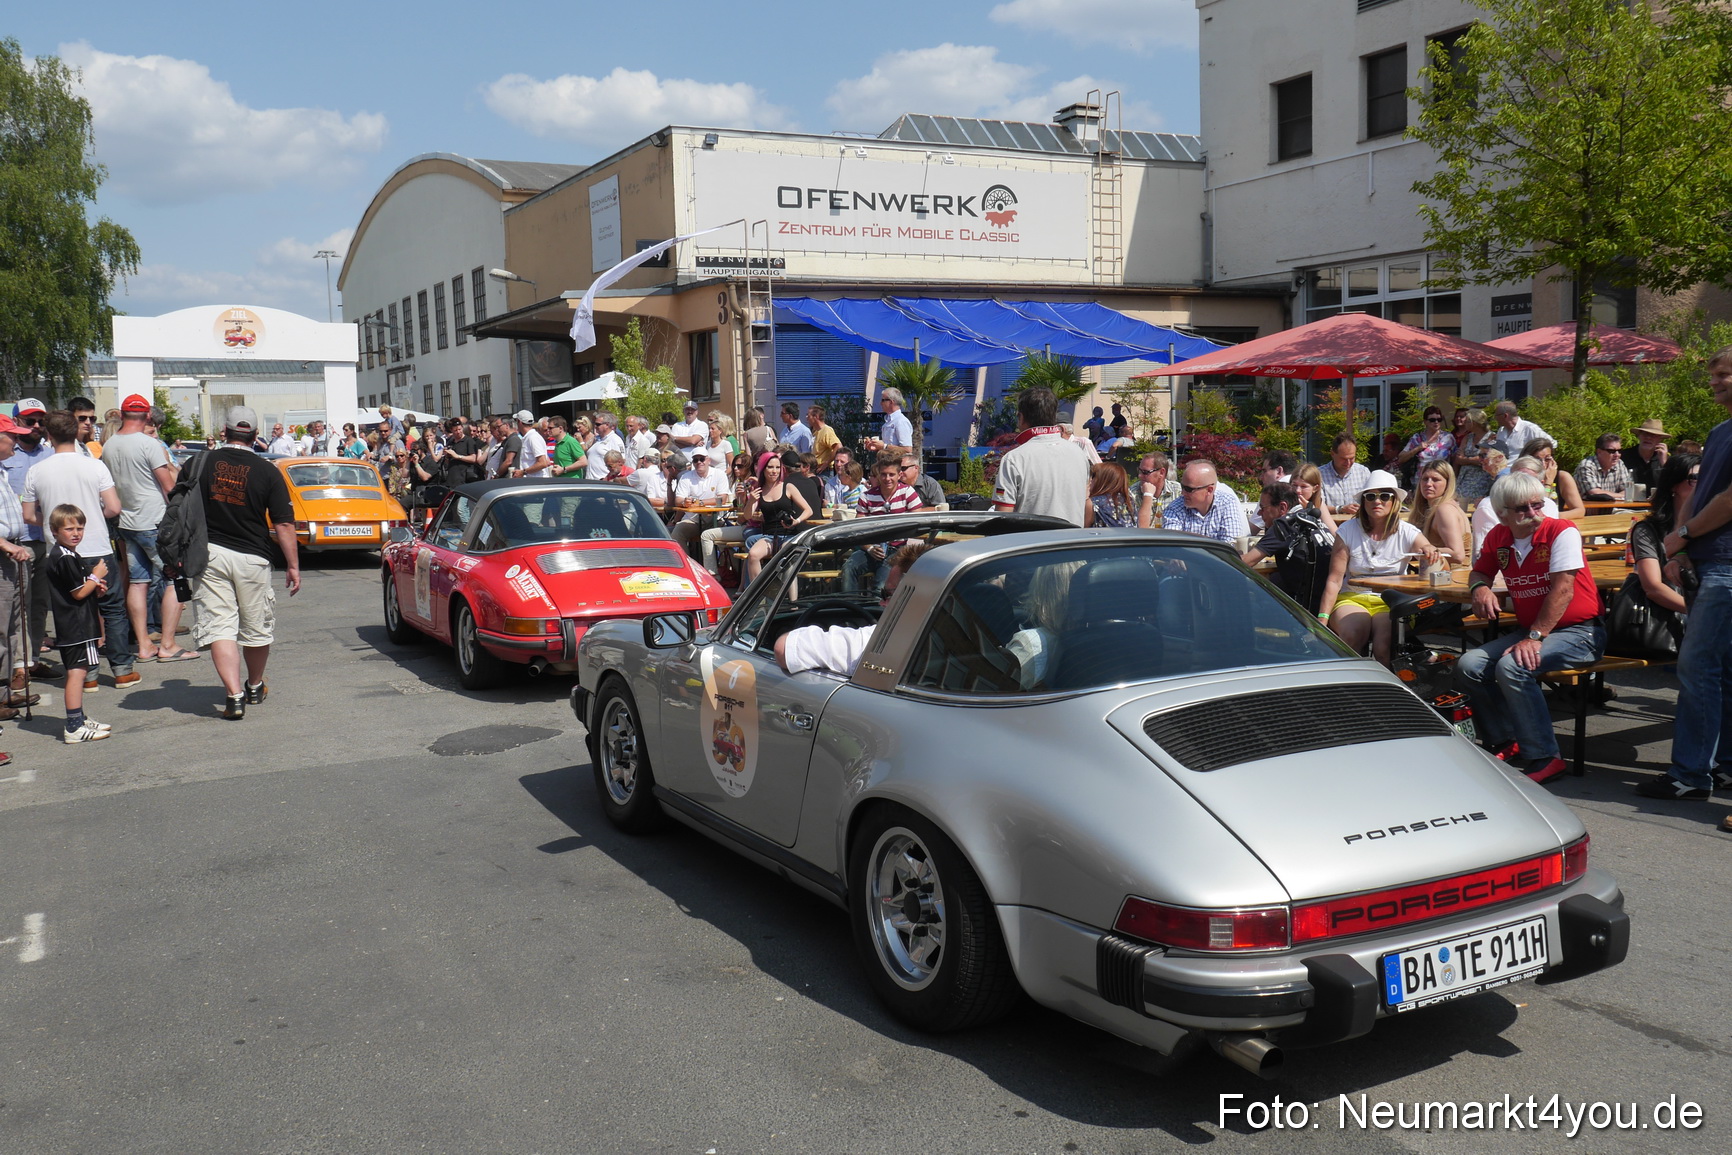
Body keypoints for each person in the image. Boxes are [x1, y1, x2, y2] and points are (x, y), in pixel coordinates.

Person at [1459, 471, 1606, 784]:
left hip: (1580, 632)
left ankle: (1545, 756)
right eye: (1522, 508)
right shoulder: (1499, 536)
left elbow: (1563, 589)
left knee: (1514, 666)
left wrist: (1535, 637)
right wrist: (1479, 588)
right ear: (1502, 514)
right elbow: (1479, 572)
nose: (1533, 513)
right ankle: (1506, 740)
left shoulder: (1561, 531)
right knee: (1469, 665)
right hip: (1533, 631)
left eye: (1537, 504)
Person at [1645, 351, 1732, 803]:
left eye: (1723, 374)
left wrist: (1681, 536)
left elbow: (1729, 500)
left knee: (1698, 668)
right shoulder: (1719, 432)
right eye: (1712, 374)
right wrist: (1680, 548)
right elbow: (1700, 494)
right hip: (1708, 561)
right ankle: (1723, 766)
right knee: (1720, 670)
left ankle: (1691, 775)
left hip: (1726, 566)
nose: (1714, 381)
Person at [186, 406, 300, 720]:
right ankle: (254, 685)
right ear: (255, 435)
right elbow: (284, 523)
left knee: (220, 626)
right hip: (253, 557)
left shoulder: (199, 463)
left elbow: (178, 502)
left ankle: (234, 696)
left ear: (224, 432)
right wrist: (293, 565)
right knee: (255, 627)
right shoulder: (267, 471)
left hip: (209, 554)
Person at [20, 410, 135, 691]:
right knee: (113, 609)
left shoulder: (37, 471)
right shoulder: (94, 466)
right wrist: (93, 516)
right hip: (96, 545)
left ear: (49, 435)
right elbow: (114, 508)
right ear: (76, 433)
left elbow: (28, 515)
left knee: (75, 610)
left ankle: (88, 672)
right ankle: (122, 670)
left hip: (59, 551)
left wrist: (52, 524)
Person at [104, 394, 196, 665]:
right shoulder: (149, 444)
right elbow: (169, 487)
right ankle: (167, 645)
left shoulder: (110, 444)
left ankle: (144, 645)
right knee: (176, 579)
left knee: (138, 581)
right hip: (154, 521)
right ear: (147, 417)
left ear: (122, 415)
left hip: (127, 521)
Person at [1314, 471, 1439, 665]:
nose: (1377, 501)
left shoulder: (1406, 531)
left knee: (1383, 646)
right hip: (1352, 597)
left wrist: (1430, 551)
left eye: (1384, 496)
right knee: (1352, 635)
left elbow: (1436, 558)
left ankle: (1387, 683)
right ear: (1364, 501)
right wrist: (1322, 618)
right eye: (1370, 496)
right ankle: (1354, 681)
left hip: (1391, 601)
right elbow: (1334, 579)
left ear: (1394, 501)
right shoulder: (1347, 530)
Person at [775, 541, 932, 676]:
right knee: (849, 567)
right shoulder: (940, 638)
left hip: (888, 550)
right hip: (870, 551)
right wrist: (870, 548)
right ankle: (849, 598)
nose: (882, 603)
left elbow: (784, 648)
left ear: (912, 597)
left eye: (887, 595)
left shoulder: (874, 643)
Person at [43, 506, 112, 742]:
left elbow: (82, 588)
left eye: (79, 528)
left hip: (77, 623)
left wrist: (95, 586)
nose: (76, 533)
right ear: (54, 531)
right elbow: (79, 593)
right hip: (75, 625)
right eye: (69, 529)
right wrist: (95, 576)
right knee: (77, 672)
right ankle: (74, 726)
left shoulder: (69, 555)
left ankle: (79, 718)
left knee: (80, 671)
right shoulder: (64, 557)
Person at [991, 386, 1087, 526]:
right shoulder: (1079, 453)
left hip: (1032, 539)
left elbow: (1003, 517)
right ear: (1053, 416)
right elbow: (1086, 503)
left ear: (1021, 417)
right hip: (1073, 538)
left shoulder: (1014, 458)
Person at [0, 416, 41, 720]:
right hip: (5, 552)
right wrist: (5, 544)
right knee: (1, 627)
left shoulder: (3, 470)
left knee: (14, 623)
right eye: (11, 436)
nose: (16, 442)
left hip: (15, 551)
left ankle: (5, 691)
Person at [1627, 452, 1698, 627]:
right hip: (1673, 618)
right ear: (1673, 485)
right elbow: (1653, 588)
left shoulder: (1712, 526)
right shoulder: (1648, 530)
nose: (1703, 484)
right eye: (1695, 478)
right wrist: (1700, 612)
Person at [1242, 481, 1334, 615]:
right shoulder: (1309, 516)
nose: (1260, 513)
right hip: (1331, 599)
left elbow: (1245, 562)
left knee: (1250, 599)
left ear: (1282, 507)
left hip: (1309, 606)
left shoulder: (1285, 524)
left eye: (1263, 508)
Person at [842, 452, 923, 593]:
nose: (887, 479)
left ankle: (876, 606)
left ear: (899, 475)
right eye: (884, 474)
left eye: (891, 474)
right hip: (871, 548)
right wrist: (869, 548)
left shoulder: (907, 492)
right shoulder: (867, 496)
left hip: (897, 550)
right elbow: (858, 529)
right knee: (848, 568)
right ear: (878, 475)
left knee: (880, 585)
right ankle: (850, 604)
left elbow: (918, 522)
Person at [741, 452, 813, 582]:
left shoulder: (788, 487)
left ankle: (790, 594)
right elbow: (747, 516)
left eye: (778, 467)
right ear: (763, 469)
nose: (774, 471)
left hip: (789, 535)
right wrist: (751, 501)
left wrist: (796, 521)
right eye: (770, 467)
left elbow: (808, 510)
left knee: (786, 554)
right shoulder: (759, 490)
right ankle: (758, 591)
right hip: (769, 536)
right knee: (753, 555)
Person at [1470, 455, 1556, 558]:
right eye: (1517, 479)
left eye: (1536, 506)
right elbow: (1482, 555)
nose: (1532, 513)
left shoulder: (1549, 505)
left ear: (1540, 484)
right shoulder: (1488, 507)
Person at [1160, 460, 1251, 544]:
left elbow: (1230, 545)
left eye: (1188, 489)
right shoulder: (1175, 508)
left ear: (1209, 490)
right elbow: (1173, 546)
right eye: (1182, 487)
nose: (1182, 493)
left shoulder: (1226, 503)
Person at [1407, 461, 1470, 565]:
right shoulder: (1431, 509)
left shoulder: (1445, 510)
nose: (1428, 484)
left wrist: (1424, 550)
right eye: (1425, 479)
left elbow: (1458, 555)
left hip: (1453, 574)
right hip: (1436, 573)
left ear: (1448, 483)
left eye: (1435, 480)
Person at [671, 449, 731, 557]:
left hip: (715, 519)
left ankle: (725, 566)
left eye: (702, 459)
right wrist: (685, 502)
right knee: (677, 534)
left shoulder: (719, 474)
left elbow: (722, 499)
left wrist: (699, 503)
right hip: (692, 520)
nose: (699, 462)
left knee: (725, 539)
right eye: (695, 460)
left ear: (708, 460)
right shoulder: (686, 477)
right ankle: (686, 564)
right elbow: (678, 500)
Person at [1523, 437, 1586, 520]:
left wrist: (1553, 516)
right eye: (1537, 460)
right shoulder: (1523, 479)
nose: (1543, 464)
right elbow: (1541, 509)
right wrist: (1548, 483)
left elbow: (1580, 511)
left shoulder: (1562, 477)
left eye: (1547, 459)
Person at [1318, 434, 1371, 517]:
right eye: (1344, 459)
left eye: (1352, 458)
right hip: (1330, 523)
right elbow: (1317, 506)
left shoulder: (1363, 472)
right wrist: (1340, 509)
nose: (1348, 463)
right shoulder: (1319, 474)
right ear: (1332, 454)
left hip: (1359, 523)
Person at [1451, 407, 1495, 504]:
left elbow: (1485, 460)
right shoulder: (1468, 437)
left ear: (1474, 423)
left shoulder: (1491, 438)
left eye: (1467, 421)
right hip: (1463, 478)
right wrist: (1473, 460)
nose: (1464, 423)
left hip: (1482, 480)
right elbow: (1458, 459)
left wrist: (1465, 460)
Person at [1397, 407, 1456, 478]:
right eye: (1432, 420)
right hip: (1421, 479)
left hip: (1442, 479)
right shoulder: (1417, 438)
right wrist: (1417, 448)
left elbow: (1455, 460)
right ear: (1425, 422)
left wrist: (1453, 477)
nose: (1436, 422)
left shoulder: (1448, 438)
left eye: (1439, 419)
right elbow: (1401, 458)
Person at [1575, 432, 1632, 501]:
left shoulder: (1619, 464)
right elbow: (1595, 493)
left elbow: (1628, 490)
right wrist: (1621, 495)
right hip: (1588, 507)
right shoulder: (1587, 465)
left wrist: (1623, 494)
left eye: (1619, 451)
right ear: (1599, 452)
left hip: (1613, 506)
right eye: (1611, 451)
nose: (1617, 455)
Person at [1622, 418, 1672, 492]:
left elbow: (1673, 484)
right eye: (1645, 434)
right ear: (1639, 436)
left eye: (1653, 435)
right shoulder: (1624, 456)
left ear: (1660, 439)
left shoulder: (1666, 460)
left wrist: (1664, 463)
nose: (1648, 438)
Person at [1134, 451, 1181, 528]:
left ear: (1161, 473)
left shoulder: (1176, 490)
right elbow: (1141, 529)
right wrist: (1148, 495)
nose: (1140, 475)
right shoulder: (1133, 494)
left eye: (1145, 472)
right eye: (1139, 470)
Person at [1289, 462, 1339, 533]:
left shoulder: (1318, 503)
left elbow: (1334, 532)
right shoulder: (1285, 502)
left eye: (1303, 486)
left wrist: (1310, 511)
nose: (1298, 490)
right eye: (1294, 485)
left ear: (1315, 488)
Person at [1083, 461, 1134, 527]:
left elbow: (1081, 529)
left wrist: (1084, 497)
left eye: (1093, 476)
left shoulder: (1092, 503)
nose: (1090, 480)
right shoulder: (1130, 501)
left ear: (1102, 480)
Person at [862, 388, 913, 455]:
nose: (881, 403)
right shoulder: (889, 421)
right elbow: (889, 445)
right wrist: (876, 446)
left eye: (883, 400)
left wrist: (884, 446)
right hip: (886, 460)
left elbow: (907, 450)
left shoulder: (901, 421)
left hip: (897, 461)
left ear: (891, 402)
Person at [583, 411, 625, 481]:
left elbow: (621, 463)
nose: (595, 426)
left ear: (607, 425)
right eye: (594, 424)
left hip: (603, 482)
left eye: (598, 424)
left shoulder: (615, 439)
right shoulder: (597, 439)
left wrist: (608, 479)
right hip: (591, 481)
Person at [510, 410, 552, 478]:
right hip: (533, 480)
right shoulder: (530, 437)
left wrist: (523, 472)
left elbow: (543, 463)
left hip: (536, 480)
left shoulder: (532, 437)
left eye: (516, 421)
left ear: (519, 422)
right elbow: (546, 461)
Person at [807, 405, 843, 472]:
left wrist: (826, 464)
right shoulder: (816, 432)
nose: (807, 418)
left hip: (824, 472)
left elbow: (838, 447)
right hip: (816, 469)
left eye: (808, 416)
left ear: (816, 417)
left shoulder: (827, 430)